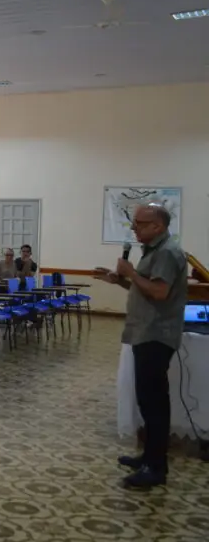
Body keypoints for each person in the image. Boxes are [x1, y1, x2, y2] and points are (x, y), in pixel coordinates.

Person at [94, 204, 187, 489]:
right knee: (147, 400)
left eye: (140, 223)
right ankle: (149, 456)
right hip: (145, 332)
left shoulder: (168, 252)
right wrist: (120, 279)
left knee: (154, 402)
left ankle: (156, 468)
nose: (134, 228)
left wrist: (131, 273)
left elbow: (159, 292)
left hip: (156, 335)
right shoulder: (154, 250)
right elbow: (146, 288)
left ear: (158, 226)